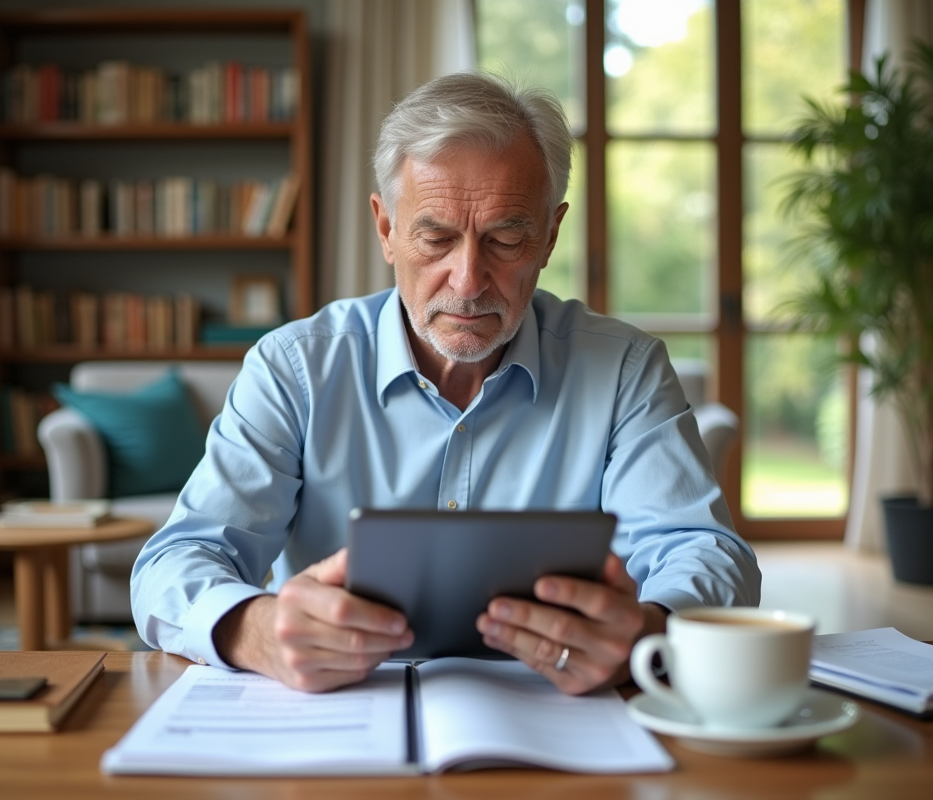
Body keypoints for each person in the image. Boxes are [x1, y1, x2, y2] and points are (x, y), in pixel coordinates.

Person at [132, 72, 760, 695]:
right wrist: (255, 628)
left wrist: (649, 631)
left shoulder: (625, 368)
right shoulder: (294, 368)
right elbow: (173, 563)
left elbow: (703, 549)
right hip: (341, 720)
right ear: (386, 230)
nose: (467, 281)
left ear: (549, 236)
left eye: (506, 238)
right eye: (435, 238)